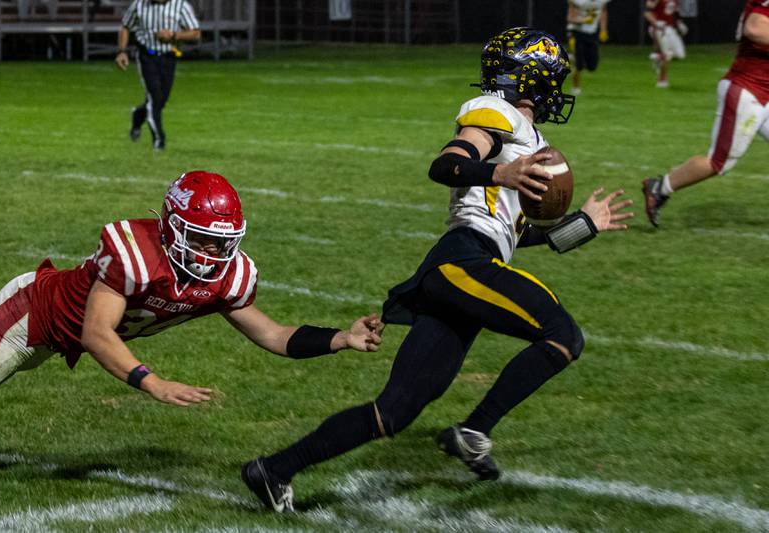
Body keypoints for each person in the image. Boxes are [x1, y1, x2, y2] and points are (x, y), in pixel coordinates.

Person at [241, 28, 634, 513]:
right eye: (551, 78)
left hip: (467, 268)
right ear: (530, 79)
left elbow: (515, 234)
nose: (556, 88)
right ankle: (474, 431)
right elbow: (447, 164)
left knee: (395, 412)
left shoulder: (525, 134)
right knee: (563, 335)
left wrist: (584, 226)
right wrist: (501, 172)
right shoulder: (495, 112)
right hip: (464, 260)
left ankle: (273, 469)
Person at [0, 171, 382, 407]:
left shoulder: (227, 277)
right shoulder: (136, 253)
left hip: (59, 340)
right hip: (30, 318)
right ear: (170, 226)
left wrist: (342, 338)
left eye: (220, 242)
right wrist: (153, 382)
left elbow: (272, 334)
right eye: (200, 237)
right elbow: (96, 332)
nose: (210, 252)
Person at [643, 0, 769, 227]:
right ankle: (659, 187)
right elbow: (755, 27)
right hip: (748, 91)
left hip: (763, 92)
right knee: (719, 162)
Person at [115, 0, 201, 151]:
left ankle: (138, 115)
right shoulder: (140, 4)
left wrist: (174, 35)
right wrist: (122, 51)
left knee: (162, 99)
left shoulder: (180, 5)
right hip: (146, 55)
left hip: (169, 55)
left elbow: (195, 33)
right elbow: (125, 26)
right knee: (155, 97)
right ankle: (159, 140)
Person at [566, 0, 610, 95]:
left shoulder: (601, 1)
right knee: (579, 64)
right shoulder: (577, 2)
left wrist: (603, 29)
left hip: (592, 34)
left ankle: (571, 57)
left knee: (592, 66)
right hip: (577, 33)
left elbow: (603, 12)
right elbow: (570, 18)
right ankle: (576, 88)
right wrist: (583, 20)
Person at [645, 0, 688, 89]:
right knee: (667, 53)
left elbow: (675, 13)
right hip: (660, 28)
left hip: (671, 29)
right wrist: (656, 23)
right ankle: (662, 80)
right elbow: (647, 13)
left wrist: (680, 23)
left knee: (680, 55)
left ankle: (658, 57)